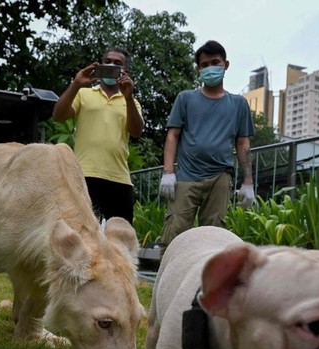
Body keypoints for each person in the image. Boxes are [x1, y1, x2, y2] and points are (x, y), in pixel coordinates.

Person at [158, 40, 255, 248]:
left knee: (214, 238)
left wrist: (248, 182)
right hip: (186, 176)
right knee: (174, 233)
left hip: (220, 176)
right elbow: (172, 135)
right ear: (198, 69)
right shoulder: (185, 99)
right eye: (204, 65)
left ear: (225, 65)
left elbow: (243, 143)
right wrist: (168, 172)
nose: (210, 68)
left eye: (215, 62)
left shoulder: (238, 104)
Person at [51, 47, 144, 224]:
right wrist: (76, 84)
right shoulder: (83, 93)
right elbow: (58, 115)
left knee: (120, 237)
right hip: (83, 175)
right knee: (79, 232)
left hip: (119, 178)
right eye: (107, 61)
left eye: (118, 63)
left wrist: (129, 97)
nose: (111, 65)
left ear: (126, 71)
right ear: (100, 65)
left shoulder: (132, 101)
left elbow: (136, 131)